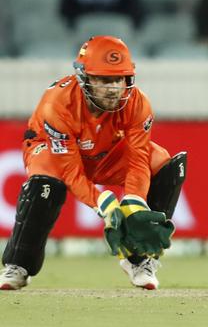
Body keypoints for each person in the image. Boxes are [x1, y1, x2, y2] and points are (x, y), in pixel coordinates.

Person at [0, 36, 186, 291]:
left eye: (119, 79)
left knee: (164, 164)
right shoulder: (58, 103)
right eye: (104, 80)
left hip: (107, 154)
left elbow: (138, 158)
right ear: (84, 78)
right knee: (44, 185)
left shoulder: (138, 103)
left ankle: (139, 259)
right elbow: (69, 169)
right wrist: (101, 202)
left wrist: (135, 201)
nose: (113, 89)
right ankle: (18, 265)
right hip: (53, 153)